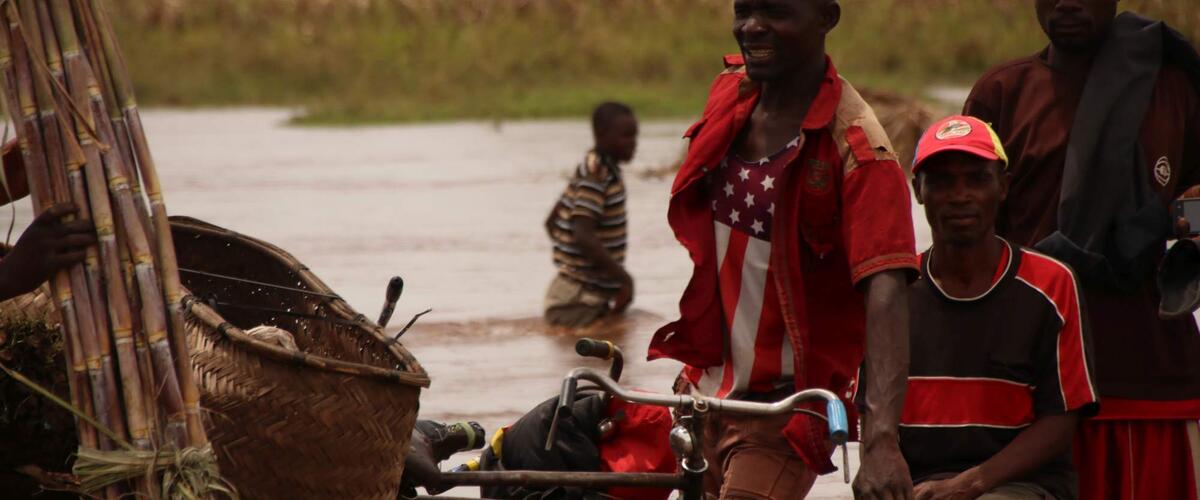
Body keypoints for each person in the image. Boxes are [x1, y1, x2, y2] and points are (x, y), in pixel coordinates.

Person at [649, 0, 918, 498]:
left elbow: (886, 288)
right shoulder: (729, 94)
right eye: (743, 11)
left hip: (784, 409)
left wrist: (881, 440)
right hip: (702, 395)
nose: (752, 27)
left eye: (775, 12)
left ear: (826, 18)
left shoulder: (858, 147)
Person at [964, 1, 1200, 498]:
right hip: (1031, 385)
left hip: (1151, 377)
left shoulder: (1173, 86)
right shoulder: (1002, 94)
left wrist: (1185, 222)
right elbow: (968, 250)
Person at [892, 115, 1098, 500]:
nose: (960, 195)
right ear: (918, 190)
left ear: (1003, 187)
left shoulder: (1051, 284)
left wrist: (968, 484)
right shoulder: (895, 290)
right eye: (942, 182)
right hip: (918, 484)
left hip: (1021, 484)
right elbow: (873, 414)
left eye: (976, 179)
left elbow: (1061, 420)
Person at [543, 102, 638, 328]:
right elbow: (582, 234)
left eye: (634, 135)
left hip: (584, 296)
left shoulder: (600, 169)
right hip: (575, 301)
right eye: (626, 136)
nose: (633, 143)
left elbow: (553, 221)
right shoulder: (596, 174)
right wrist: (623, 279)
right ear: (601, 135)